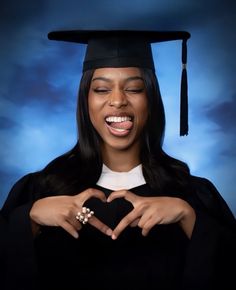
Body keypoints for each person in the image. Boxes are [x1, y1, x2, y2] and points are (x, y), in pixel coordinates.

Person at [0, 29, 236, 290]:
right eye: (101, 89)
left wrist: (189, 218)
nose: (117, 101)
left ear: (151, 100)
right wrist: (28, 221)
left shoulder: (192, 194)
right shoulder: (40, 190)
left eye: (134, 88)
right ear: (85, 100)